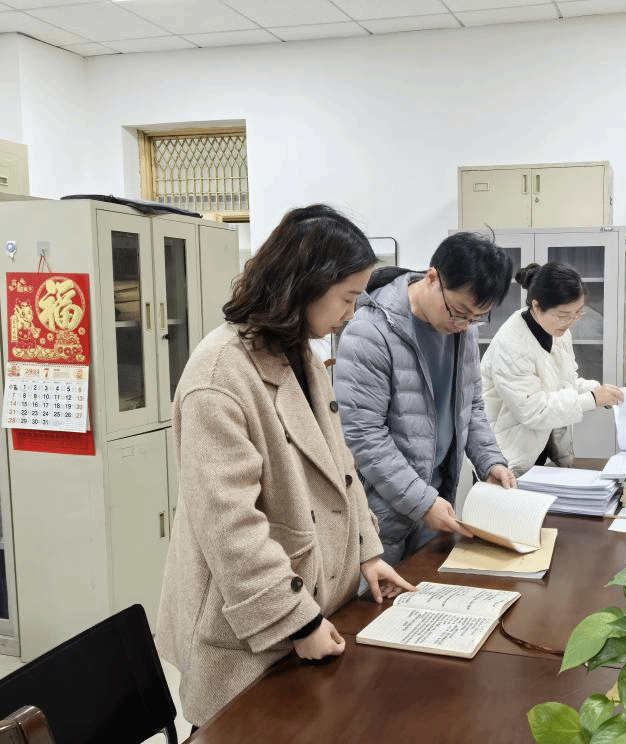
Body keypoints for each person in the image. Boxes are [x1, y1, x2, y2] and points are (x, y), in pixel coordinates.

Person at [155, 204, 414, 730]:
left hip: (314, 605)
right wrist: (297, 621)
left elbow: (340, 464)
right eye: (347, 298)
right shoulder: (219, 376)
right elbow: (231, 529)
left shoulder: (299, 352)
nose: (351, 314)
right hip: (250, 631)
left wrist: (368, 552)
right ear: (306, 284)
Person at [334, 232, 517, 565]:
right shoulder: (370, 332)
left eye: (476, 318)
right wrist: (422, 502)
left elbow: (471, 405)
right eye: (459, 312)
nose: (463, 325)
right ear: (432, 278)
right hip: (381, 516)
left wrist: (490, 461)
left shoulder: (463, 330)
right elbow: (363, 436)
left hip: (435, 504)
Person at [480, 261, 624, 475]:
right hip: (504, 460)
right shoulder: (512, 345)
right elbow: (533, 410)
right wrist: (593, 398)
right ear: (536, 307)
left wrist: (598, 390)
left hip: (537, 451)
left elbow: (564, 381)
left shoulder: (558, 332)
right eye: (564, 315)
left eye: (578, 313)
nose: (571, 321)